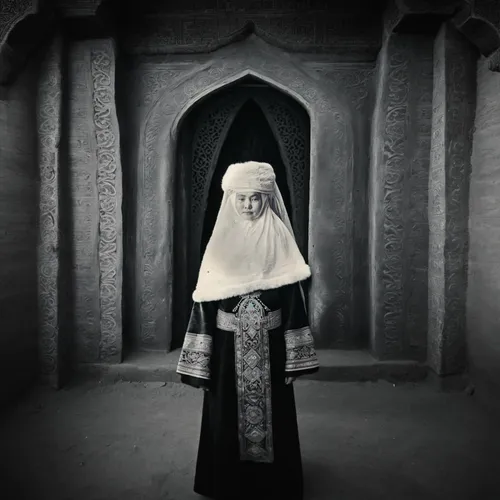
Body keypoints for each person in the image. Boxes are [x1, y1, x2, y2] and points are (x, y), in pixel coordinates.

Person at [177, 160, 319, 500]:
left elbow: (293, 300)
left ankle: (273, 486)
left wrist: (294, 358)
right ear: (230, 199)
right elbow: (205, 303)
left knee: (276, 418)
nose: (248, 205)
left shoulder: (279, 238)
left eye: (255, 198)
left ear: (267, 199)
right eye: (241, 198)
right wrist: (201, 360)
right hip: (227, 352)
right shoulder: (220, 243)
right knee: (225, 416)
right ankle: (226, 482)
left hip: (272, 347)